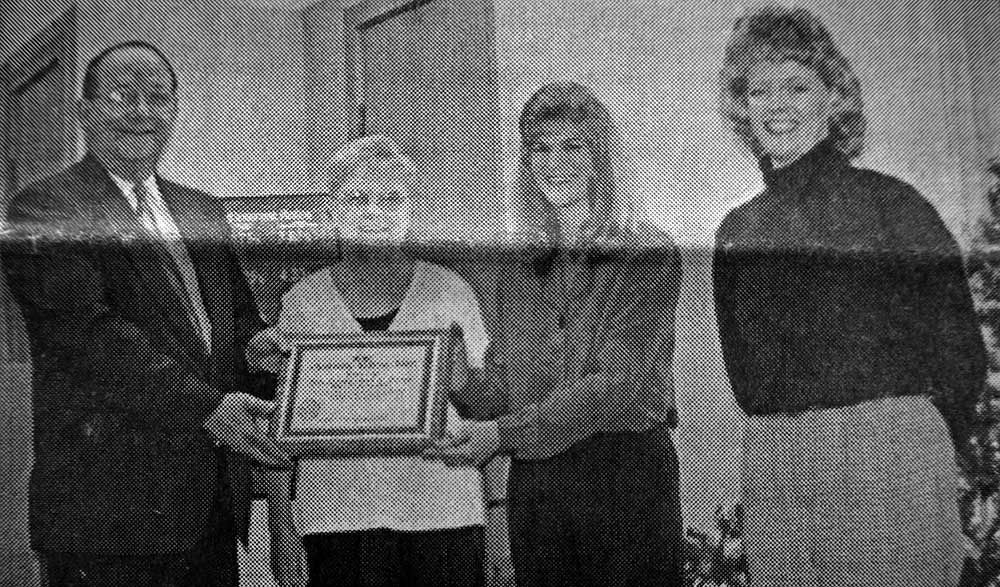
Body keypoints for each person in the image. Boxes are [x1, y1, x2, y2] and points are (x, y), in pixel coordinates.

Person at [712, 6, 986, 585]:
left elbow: (960, 355)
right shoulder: (734, 232)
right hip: (776, 475)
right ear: (742, 110)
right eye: (759, 91)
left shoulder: (895, 209)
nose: (777, 105)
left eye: (795, 86)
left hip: (888, 470)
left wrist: (908, 449)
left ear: (833, 98)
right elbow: (745, 379)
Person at [1, 41, 290, 587]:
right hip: (111, 519)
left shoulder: (203, 209)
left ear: (176, 113)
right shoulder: (46, 208)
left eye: (157, 98)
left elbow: (241, 329)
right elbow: (91, 340)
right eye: (123, 96)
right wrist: (213, 407)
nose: (142, 113)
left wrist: (280, 360)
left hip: (210, 511)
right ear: (85, 110)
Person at [430, 82, 684, 587]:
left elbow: (609, 389)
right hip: (539, 492)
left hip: (622, 481)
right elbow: (508, 389)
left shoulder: (645, 255)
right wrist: (458, 381)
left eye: (573, 147)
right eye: (541, 149)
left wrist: (500, 435)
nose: (556, 164)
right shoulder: (517, 269)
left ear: (600, 157)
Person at [246, 134, 513, 587]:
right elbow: (280, 430)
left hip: (444, 512)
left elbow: (490, 416)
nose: (373, 212)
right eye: (357, 199)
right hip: (335, 517)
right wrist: (282, 528)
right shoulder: (303, 301)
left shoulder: (450, 290)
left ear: (410, 211)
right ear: (332, 209)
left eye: (390, 199)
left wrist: (499, 523)